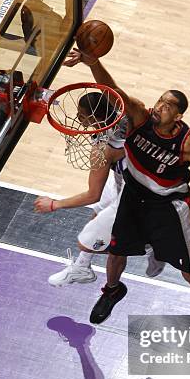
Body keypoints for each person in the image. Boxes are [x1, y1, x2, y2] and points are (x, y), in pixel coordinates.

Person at [64, 48, 190, 324]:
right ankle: (112, 290)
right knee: (116, 252)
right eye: (160, 100)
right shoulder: (139, 116)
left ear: (178, 116)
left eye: (168, 105)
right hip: (133, 196)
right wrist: (93, 62)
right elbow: (113, 90)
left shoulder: (188, 146)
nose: (160, 106)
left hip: (168, 207)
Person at [34, 92, 165, 284]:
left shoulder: (103, 149)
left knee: (88, 240)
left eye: (81, 114)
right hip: (143, 178)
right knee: (98, 212)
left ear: (94, 117)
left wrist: (54, 204)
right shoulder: (128, 116)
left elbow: (92, 195)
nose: (77, 118)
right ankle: (82, 267)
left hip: (137, 193)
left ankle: (151, 245)